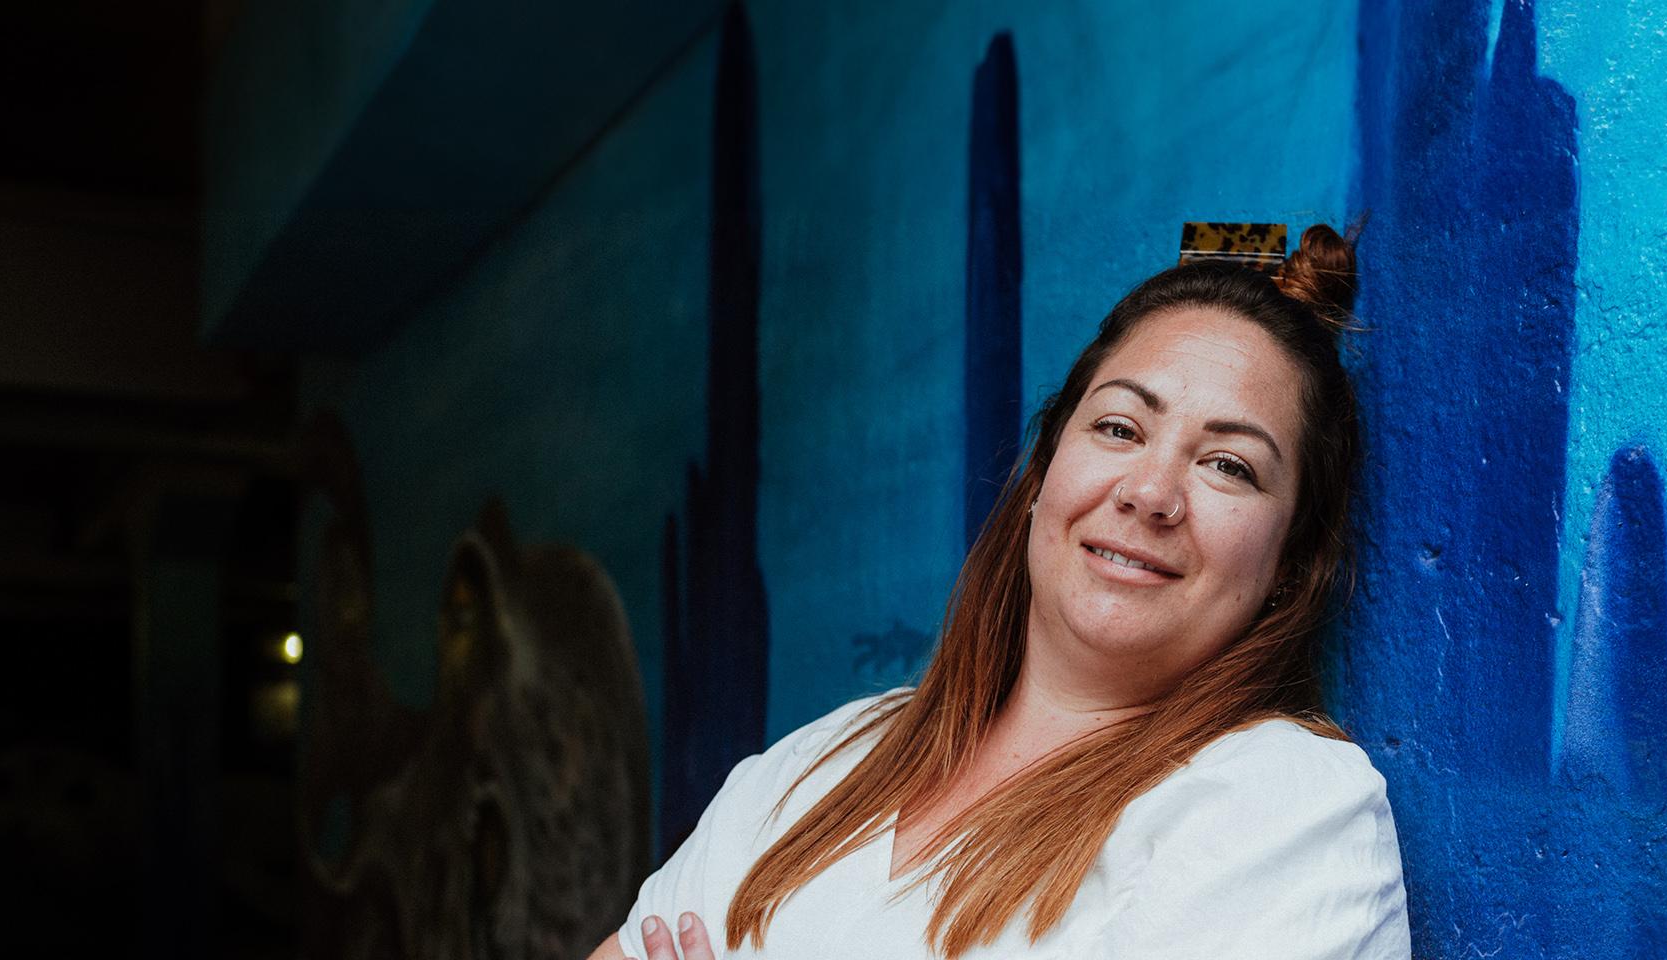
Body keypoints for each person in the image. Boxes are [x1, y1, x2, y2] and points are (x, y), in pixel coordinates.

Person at [588, 224, 1410, 959]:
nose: (1150, 492)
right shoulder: (821, 763)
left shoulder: (1283, 809)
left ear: (1291, 567)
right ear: (1042, 475)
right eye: (1120, 428)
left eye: (1229, 466)